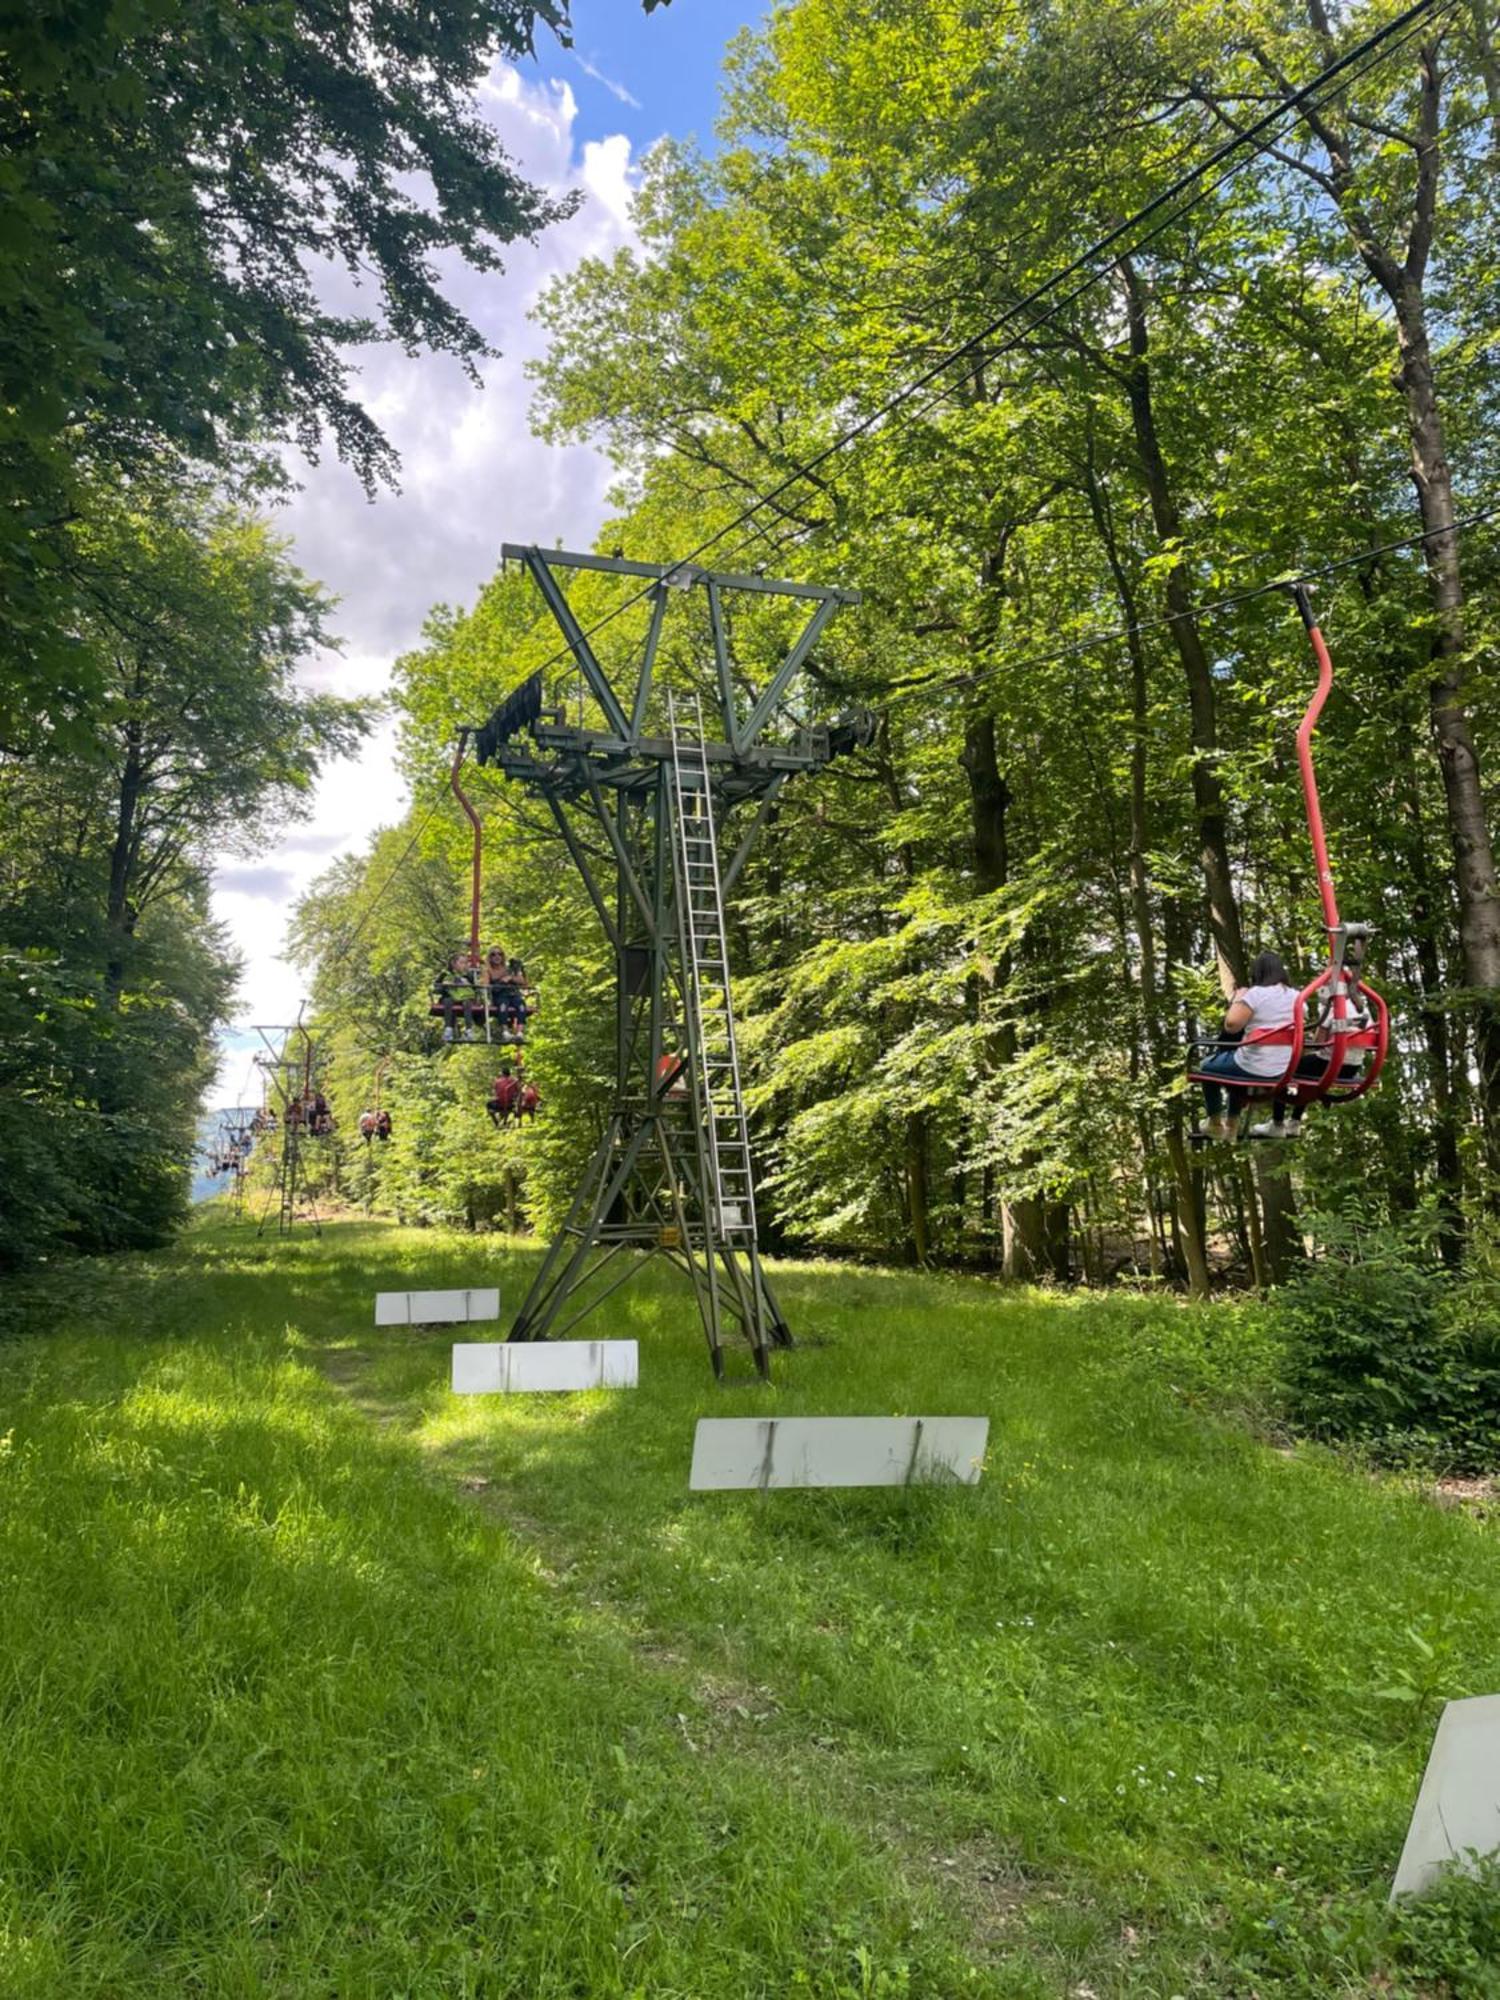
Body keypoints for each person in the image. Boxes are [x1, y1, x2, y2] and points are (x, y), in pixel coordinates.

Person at [1197, 951, 1302, 1139]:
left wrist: (1239, 997)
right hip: (1284, 1068)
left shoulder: (1256, 994)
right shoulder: (1297, 997)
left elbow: (1231, 1026)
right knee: (1239, 1062)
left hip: (1254, 1064)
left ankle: (1215, 1122)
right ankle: (1232, 1123)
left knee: (1207, 1067)